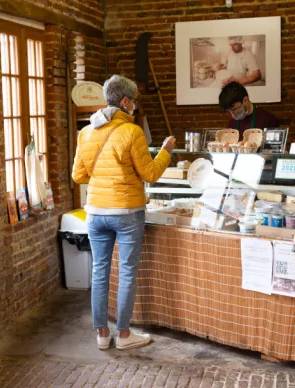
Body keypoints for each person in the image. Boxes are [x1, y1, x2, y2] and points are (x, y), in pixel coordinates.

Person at [72, 75, 175, 350]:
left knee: (99, 271)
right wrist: (165, 152)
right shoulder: (132, 132)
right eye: (135, 101)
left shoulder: (86, 132)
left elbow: (78, 175)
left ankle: (102, 335)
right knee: (127, 271)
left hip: (95, 212)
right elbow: (150, 174)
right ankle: (125, 335)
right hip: (127, 212)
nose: (136, 106)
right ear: (125, 101)